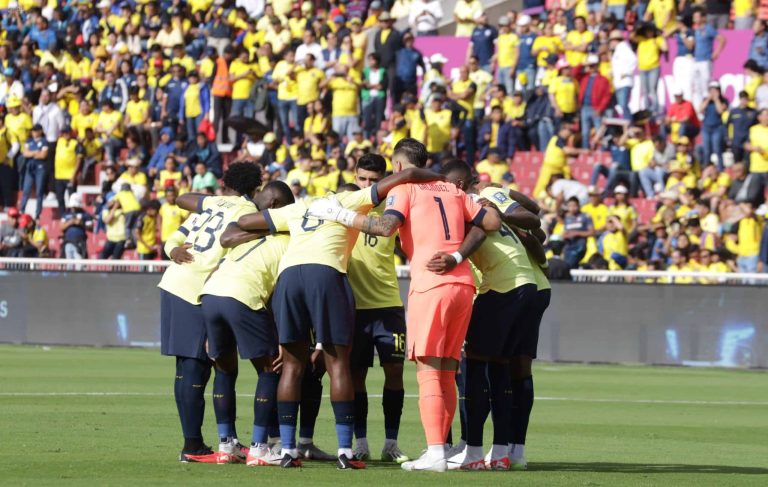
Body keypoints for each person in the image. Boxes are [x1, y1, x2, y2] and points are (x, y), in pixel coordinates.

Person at [233, 149, 447, 470]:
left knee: (292, 365)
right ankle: (346, 450)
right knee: (339, 365)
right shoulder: (348, 202)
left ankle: (288, 450)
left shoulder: (300, 206)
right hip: (327, 274)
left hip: (289, 276)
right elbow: (405, 176)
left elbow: (246, 221)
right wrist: (442, 181)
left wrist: (276, 225)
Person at [304, 139, 501, 472]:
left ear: (397, 167)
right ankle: (445, 449)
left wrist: (337, 213)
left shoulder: (406, 189)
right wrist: (460, 242)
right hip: (464, 284)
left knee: (428, 370)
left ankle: (436, 452)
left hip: (431, 284)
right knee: (448, 369)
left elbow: (384, 227)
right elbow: (491, 223)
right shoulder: (454, 191)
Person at [157, 162, 263, 464]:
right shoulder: (246, 209)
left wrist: (172, 251)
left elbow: (175, 238)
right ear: (254, 188)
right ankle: (194, 446)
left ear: (225, 183)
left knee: (187, 367)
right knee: (200, 367)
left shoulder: (210, 204)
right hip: (197, 288)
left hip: (174, 281)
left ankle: (211, 441)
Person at [439, 161, 541, 471]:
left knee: (473, 366)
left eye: (448, 185)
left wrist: (456, 256)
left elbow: (483, 234)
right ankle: (500, 453)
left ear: (458, 185)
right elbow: (534, 221)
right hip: (527, 284)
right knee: (499, 369)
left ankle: (471, 452)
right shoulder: (491, 199)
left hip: (502, 287)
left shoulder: (466, 203)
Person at [201, 181, 294, 467]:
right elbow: (280, 291)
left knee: (224, 368)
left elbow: (224, 250)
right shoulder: (290, 239)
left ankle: (227, 445)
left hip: (211, 293)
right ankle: (258, 448)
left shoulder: (246, 235)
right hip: (243, 296)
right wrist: (282, 336)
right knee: (269, 370)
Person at [689, 7, 726, 112]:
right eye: (694, 16)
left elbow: (722, 39)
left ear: (703, 18)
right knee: (696, 86)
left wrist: (716, 52)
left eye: (697, 16)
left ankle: (708, 108)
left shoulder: (708, 28)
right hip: (696, 60)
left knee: (706, 85)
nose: (694, 18)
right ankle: (699, 109)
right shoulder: (696, 30)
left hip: (705, 60)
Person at [20, 124, 49, 219]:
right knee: (26, 190)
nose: (34, 133)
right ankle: (22, 209)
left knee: (39, 191)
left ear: (40, 131)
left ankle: (38, 213)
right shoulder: (29, 141)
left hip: (40, 167)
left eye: (36, 131)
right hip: (30, 167)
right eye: (33, 131)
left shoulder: (44, 141)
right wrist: (36, 152)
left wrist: (31, 154)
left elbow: (43, 155)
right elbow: (25, 153)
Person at [563, 196, 595, 268]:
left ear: (578, 206)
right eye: (570, 206)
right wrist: (565, 235)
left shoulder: (585, 216)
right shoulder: (567, 218)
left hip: (580, 246)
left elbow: (592, 232)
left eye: (574, 205)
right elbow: (565, 232)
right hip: (568, 246)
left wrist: (577, 233)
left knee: (570, 265)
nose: (572, 208)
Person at [61, 193, 93, 260]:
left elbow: (91, 228)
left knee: (79, 264)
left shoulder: (85, 214)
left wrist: (81, 223)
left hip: (79, 243)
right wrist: (71, 222)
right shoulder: (66, 214)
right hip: (68, 242)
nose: (73, 208)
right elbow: (61, 227)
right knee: (69, 265)